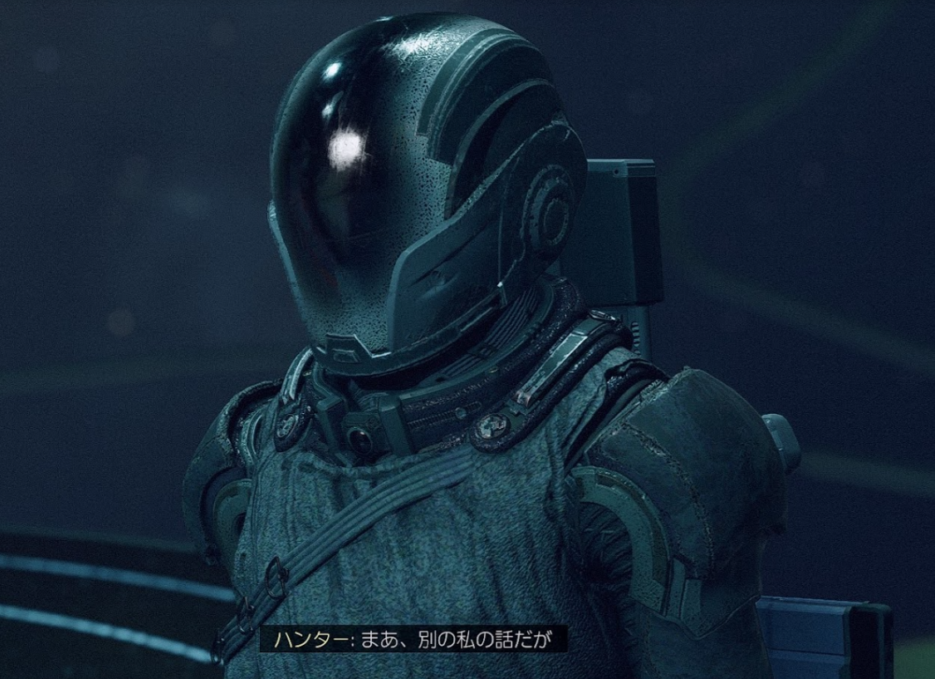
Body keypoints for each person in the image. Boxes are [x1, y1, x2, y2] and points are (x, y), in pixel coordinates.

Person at [183, 12, 787, 678]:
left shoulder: (638, 462)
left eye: (382, 211)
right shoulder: (254, 457)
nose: (353, 242)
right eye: (338, 212)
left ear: (532, 201)